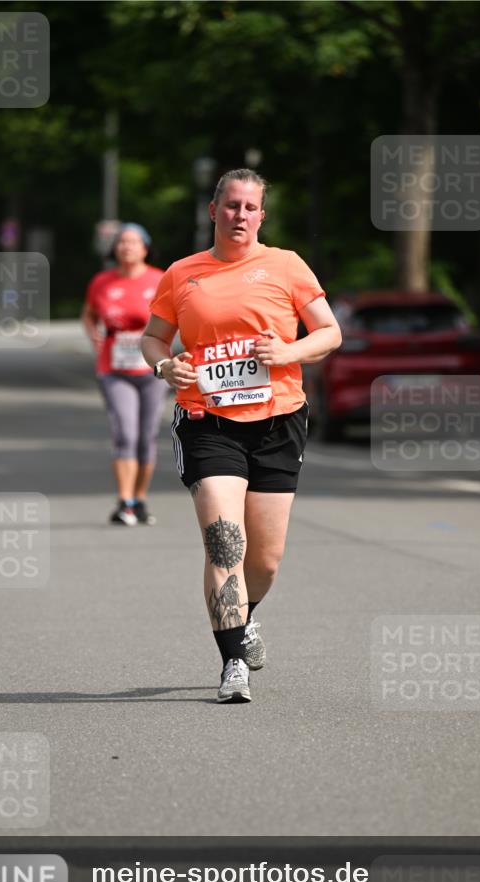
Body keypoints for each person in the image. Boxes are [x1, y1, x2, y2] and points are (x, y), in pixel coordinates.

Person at [141, 169, 342, 703]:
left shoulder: (286, 265)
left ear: (262, 216)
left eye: (251, 208)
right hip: (208, 421)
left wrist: (289, 353)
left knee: (266, 559)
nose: (241, 216)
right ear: (213, 211)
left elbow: (329, 331)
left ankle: (244, 617)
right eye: (231, 206)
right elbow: (153, 338)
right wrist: (166, 369)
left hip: (278, 419)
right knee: (224, 542)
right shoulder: (183, 273)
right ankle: (232, 663)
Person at [82, 223, 168, 525]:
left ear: (145, 247)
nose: (126, 247)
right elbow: (89, 313)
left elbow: (174, 318)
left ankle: (140, 499)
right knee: (125, 434)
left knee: (147, 437)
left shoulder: (160, 280)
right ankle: (124, 502)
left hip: (152, 368)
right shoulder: (102, 282)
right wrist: (94, 336)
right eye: (121, 242)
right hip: (114, 368)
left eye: (133, 242)